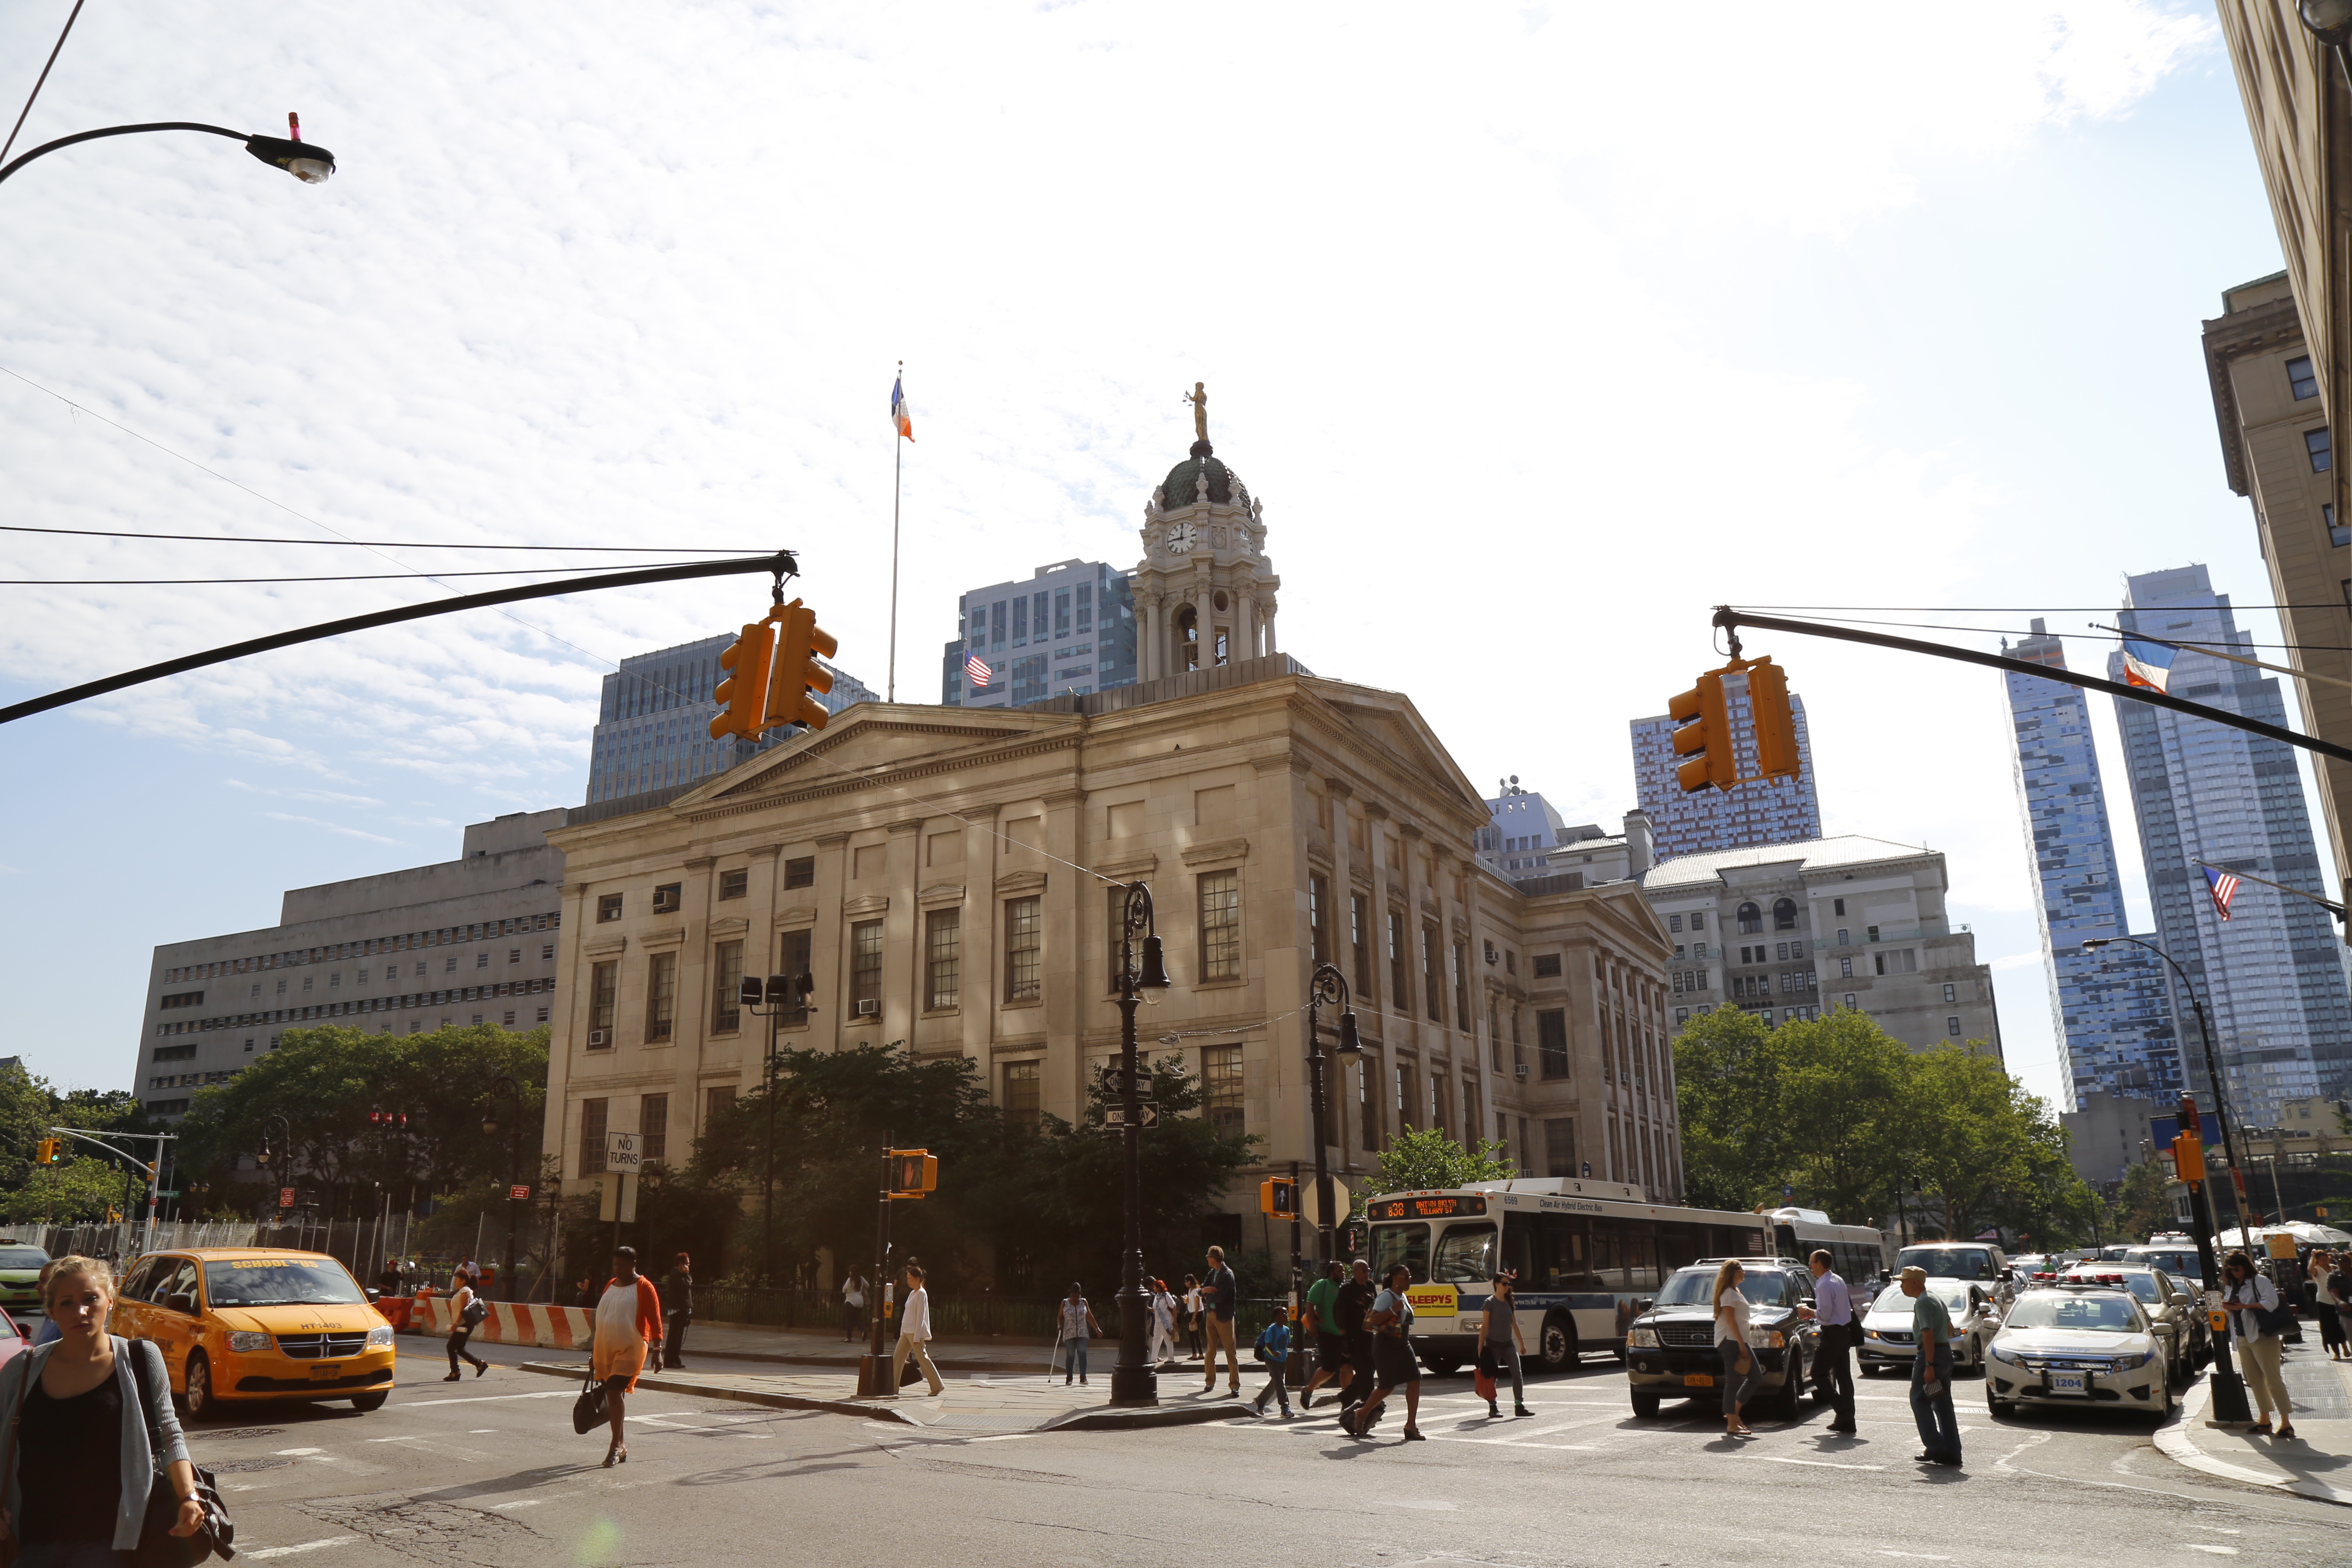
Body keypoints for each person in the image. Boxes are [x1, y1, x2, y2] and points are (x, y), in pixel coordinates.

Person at [0, 1255, 205, 1568]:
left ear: (110, 1300)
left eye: (91, 1299)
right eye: (67, 1303)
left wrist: (189, 1497)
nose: (80, 1312)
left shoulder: (140, 1358)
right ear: (52, 1311)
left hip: (109, 1540)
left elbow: (169, 1435)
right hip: (31, 1539)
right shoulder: (22, 1369)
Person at [590, 1246, 664, 1467]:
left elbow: (655, 1318)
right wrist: (594, 1352)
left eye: (622, 1265)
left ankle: (614, 1446)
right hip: (605, 1347)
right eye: (616, 1265)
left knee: (614, 1391)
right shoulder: (610, 1285)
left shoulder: (644, 1287)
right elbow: (603, 1315)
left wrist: (658, 1350)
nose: (618, 1269)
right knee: (615, 1395)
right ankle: (621, 1445)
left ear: (633, 1265)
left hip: (631, 1347)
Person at [1343, 1262, 1423, 1440]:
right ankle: (1362, 1414)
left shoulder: (1401, 1296)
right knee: (1387, 1387)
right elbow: (1372, 1319)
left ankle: (1411, 1426)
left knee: (1415, 1380)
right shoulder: (1388, 1296)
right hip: (1386, 1346)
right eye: (1407, 1277)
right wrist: (1394, 1309)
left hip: (1403, 1344)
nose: (1410, 1280)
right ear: (1396, 1279)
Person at [2222, 1250, 2294, 1439]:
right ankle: (2265, 1420)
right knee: (2254, 1381)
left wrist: (2245, 1306)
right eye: (2230, 1270)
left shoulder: (2259, 1280)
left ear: (2245, 1266)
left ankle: (2286, 1423)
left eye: (2236, 1269)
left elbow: (2271, 1302)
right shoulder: (2232, 1284)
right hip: (2242, 1336)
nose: (2234, 1273)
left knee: (2272, 1379)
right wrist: (2228, 1307)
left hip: (2262, 1335)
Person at [1901, 1265, 1961, 1466]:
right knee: (1942, 1404)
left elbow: (1927, 1333)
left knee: (1919, 1400)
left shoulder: (1923, 1302)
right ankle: (1952, 1452)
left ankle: (1936, 1447)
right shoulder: (1934, 1298)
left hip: (1931, 1354)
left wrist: (1929, 1364)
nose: (1901, 1285)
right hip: (1944, 1352)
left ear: (1915, 1283)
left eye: (1904, 1281)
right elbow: (1950, 1328)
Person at [1798, 1247, 1857, 1433]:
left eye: (1812, 1262)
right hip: (1844, 1332)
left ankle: (1843, 1411)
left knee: (1818, 1373)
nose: (1810, 1266)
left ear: (1820, 1265)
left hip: (1833, 1334)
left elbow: (1825, 1314)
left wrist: (1808, 1311)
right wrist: (1814, 1315)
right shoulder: (1837, 1279)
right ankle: (1847, 1419)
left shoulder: (1823, 1284)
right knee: (1843, 1376)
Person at [1713, 1259, 1759, 1439]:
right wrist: (1742, 1345)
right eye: (1741, 1270)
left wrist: (1743, 1342)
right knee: (1733, 1382)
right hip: (1730, 1341)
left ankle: (1734, 1413)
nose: (1744, 1272)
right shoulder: (1728, 1294)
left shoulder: (1736, 1292)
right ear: (1733, 1273)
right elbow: (1731, 1321)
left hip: (1738, 1340)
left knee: (1756, 1377)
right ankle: (1732, 1424)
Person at [1300, 1261, 1354, 1412]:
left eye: (1344, 1271)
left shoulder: (1345, 1288)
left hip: (1343, 1334)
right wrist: (1311, 1326)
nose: (1343, 1274)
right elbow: (1310, 1305)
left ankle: (1348, 1402)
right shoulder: (1322, 1285)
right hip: (1327, 1332)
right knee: (1330, 1368)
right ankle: (1308, 1390)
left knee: (1347, 1367)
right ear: (1332, 1273)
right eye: (1339, 1271)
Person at [1477, 1269, 1531, 1419]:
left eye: (1508, 1284)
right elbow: (1485, 1326)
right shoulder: (1489, 1303)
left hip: (1508, 1344)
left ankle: (1519, 1406)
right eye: (1504, 1284)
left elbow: (1514, 1323)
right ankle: (1493, 1407)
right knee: (1492, 1377)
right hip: (1493, 1344)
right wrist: (1480, 1347)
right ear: (1496, 1285)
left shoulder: (1508, 1301)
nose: (1507, 1286)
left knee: (1517, 1373)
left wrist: (1522, 1343)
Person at [893, 1265, 945, 1396]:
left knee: (923, 1359)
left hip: (914, 1333)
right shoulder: (912, 1293)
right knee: (897, 1358)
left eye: (910, 1278)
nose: (908, 1281)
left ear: (918, 1279)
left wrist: (917, 1336)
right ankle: (892, 1388)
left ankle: (937, 1386)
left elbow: (920, 1316)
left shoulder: (922, 1294)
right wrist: (902, 1331)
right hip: (906, 1332)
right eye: (907, 1278)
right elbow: (907, 1314)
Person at [1334, 1259, 1378, 1415]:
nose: (1367, 1274)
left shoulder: (1370, 1286)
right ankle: (1369, 1406)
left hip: (1369, 1333)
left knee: (1370, 1369)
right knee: (1365, 1371)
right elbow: (1340, 1313)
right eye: (1364, 1271)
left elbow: (1376, 1305)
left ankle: (1347, 1396)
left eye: (1369, 1271)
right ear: (1355, 1272)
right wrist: (1345, 1339)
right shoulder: (1347, 1289)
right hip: (1354, 1335)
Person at [1199, 1246, 1242, 1395]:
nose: (1207, 1259)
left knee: (1230, 1351)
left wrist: (1207, 1293)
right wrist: (1205, 1291)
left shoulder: (1227, 1274)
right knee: (1210, 1351)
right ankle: (1210, 1382)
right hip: (1211, 1314)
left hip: (1224, 1317)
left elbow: (1222, 1296)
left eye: (1208, 1256)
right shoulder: (1212, 1273)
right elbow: (1202, 1289)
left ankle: (1234, 1385)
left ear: (1214, 1259)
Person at [1250, 1309, 1294, 1418]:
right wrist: (1273, 1353)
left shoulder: (1287, 1330)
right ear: (1277, 1317)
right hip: (1271, 1359)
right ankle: (1285, 1408)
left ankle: (1260, 1401)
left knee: (1276, 1382)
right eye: (1284, 1314)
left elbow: (1285, 1345)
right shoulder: (1272, 1330)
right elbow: (1267, 1347)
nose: (1287, 1316)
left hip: (1282, 1360)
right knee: (1279, 1381)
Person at [444, 1274, 489, 1381]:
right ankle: (480, 1364)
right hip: (462, 1324)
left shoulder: (466, 1291)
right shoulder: (461, 1291)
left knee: (451, 1347)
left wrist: (457, 1323)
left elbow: (465, 1309)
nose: (455, 1281)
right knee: (459, 1349)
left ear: (463, 1281)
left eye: (457, 1279)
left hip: (465, 1324)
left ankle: (455, 1372)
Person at [1057, 1284, 1101, 1387]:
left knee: (1082, 1352)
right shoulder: (1065, 1303)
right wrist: (1059, 1325)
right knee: (1071, 1355)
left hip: (1082, 1332)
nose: (1076, 1298)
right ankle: (1069, 1378)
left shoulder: (1084, 1302)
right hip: (1069, 1333)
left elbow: (1089, 1316)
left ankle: (1083, 1377)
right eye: (1074, 1296)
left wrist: (1097, 1329)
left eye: (1078, 1296)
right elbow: (1060, 1317)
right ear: (1071, 1294)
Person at [659, 1253, 693, 1369]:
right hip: (677, 1309)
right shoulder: (676, 1275)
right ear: (681, 1264)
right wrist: (687, 1275)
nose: (689, 1266)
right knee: (674, 1336)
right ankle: (670, 1361)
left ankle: (675, 1360)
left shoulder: (680, 1275)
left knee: (678, 1337)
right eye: (687, 1264)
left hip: (682, 1309)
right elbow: (686, 1287)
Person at [1148, 1280, 1177, 1369]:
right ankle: (1153, 1359)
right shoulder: (1157, 1297)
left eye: (1155, 1287)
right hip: (1158, 1321)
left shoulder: (1166, 1295)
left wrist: (1175, 1321)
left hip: (1167, 1321)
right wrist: (1147, 1308)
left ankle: (1171, 1358)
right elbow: (1154, 1309)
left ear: (1159, 1287)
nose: (1154, 1288)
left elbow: (1174, 1307)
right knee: (1156, 1339)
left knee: (1168, 1339)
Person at [1180, 1276, 1204, 1360]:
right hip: (1192, 1312)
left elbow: (1198, 1305)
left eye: (1186, 1281)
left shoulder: (1196, 1291)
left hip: (1197, 1313)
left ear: (1189, 1282)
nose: (1185, 1283)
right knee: (1195, 1334)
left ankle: (1196, 1354)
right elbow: (1191, 1303)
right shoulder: (1190, 1291)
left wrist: (1194, 1318)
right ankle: (1199, 1354)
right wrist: (1186, 1300)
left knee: (1194, 1333)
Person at [842, 1269, 867, 1343]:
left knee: (849, 1320)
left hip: (851, 1301)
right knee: (856, 1319)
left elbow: (844, 1289)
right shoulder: (861, 1278)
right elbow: (868, 1285)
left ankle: (848, 1338)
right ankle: (863, 1330)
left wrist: (848, 1288)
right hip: (860, 1302)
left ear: (852, 1272)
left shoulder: (850, 1280)